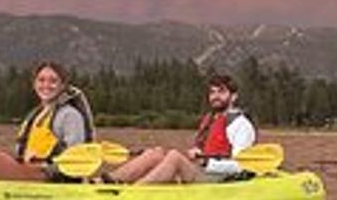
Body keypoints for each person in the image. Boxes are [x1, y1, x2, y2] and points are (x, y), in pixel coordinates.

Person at [107, 74, 256, 185]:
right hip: (202, 171)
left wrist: (206, 163)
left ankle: (134, 192)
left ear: (233, 97)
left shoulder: (241, 125)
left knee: (175, 157)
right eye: (212, 92)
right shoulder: (212, 119)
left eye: (221, 92)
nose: (215, 96)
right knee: (156, 153)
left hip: (220, 179)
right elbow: (207, 150)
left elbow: (241, 166)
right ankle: (108, 181)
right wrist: (198, 154)